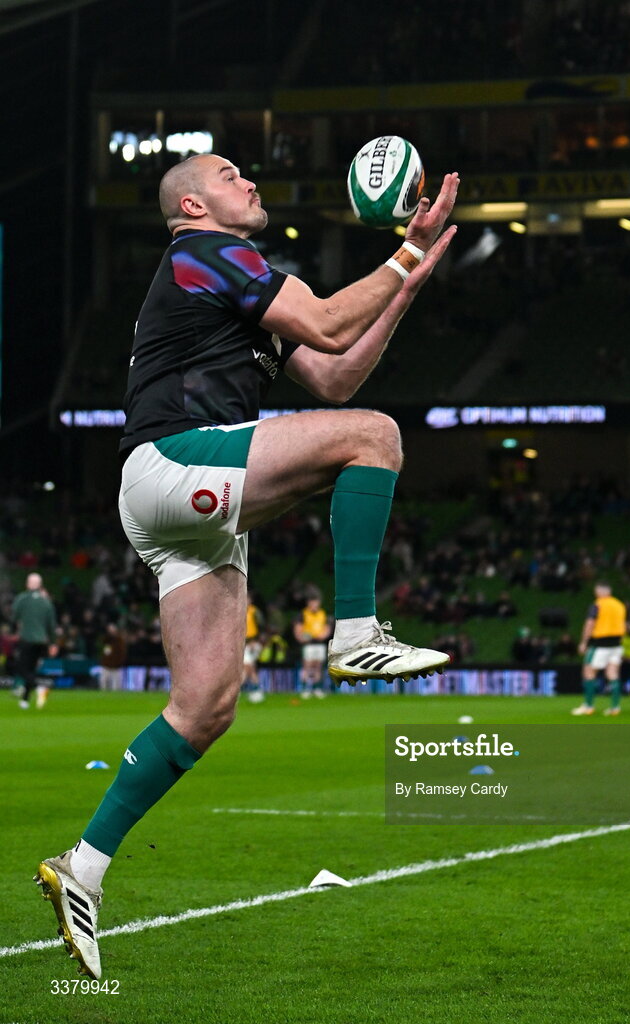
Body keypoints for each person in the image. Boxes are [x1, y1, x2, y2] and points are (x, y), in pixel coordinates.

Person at [35, 153, 460, 979]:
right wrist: (403, 252)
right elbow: (334, 329)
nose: (252, 183)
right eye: (232, 174)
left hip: (172, 499)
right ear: (193, 204)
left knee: (205, 707)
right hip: (177, 460)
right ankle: (356, 632)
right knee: (376, 438)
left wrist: (406, 280)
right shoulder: (204, 252)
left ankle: (81, 869)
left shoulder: (235, 275)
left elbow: (332, 373)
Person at [571, 582, 626, 716]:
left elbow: (590, 623)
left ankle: (588, 706)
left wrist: (584, 642)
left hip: (600, 644)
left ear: (600, 591)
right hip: (617, 644)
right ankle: (615, 707)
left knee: (589, 672)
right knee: (612, 674)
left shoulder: (598, 604)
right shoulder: (619, 605)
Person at [12, 573, 57, 710]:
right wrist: (53, 643)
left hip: (27, 639)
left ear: (28, 584)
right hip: (41, 641)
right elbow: (51, 625)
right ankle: (25, 701)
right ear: (40, 585)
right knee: (31, 670)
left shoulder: (23, 599)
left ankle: (40, 687)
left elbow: (14, 617)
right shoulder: (46, 601)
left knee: (21, 668)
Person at [292, 592, 334, 697]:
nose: (314, 604)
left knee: (318, 666)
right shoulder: (303, 614)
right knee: (307, 666)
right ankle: (305, 688)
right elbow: (298, 629)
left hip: (319, 644)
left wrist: (322, 635)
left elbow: (326, 629)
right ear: (308, 603)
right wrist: (301, 638)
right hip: (308, 644)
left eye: (316, 602)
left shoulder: (323, 614)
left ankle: (317, 688)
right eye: (312, 602)